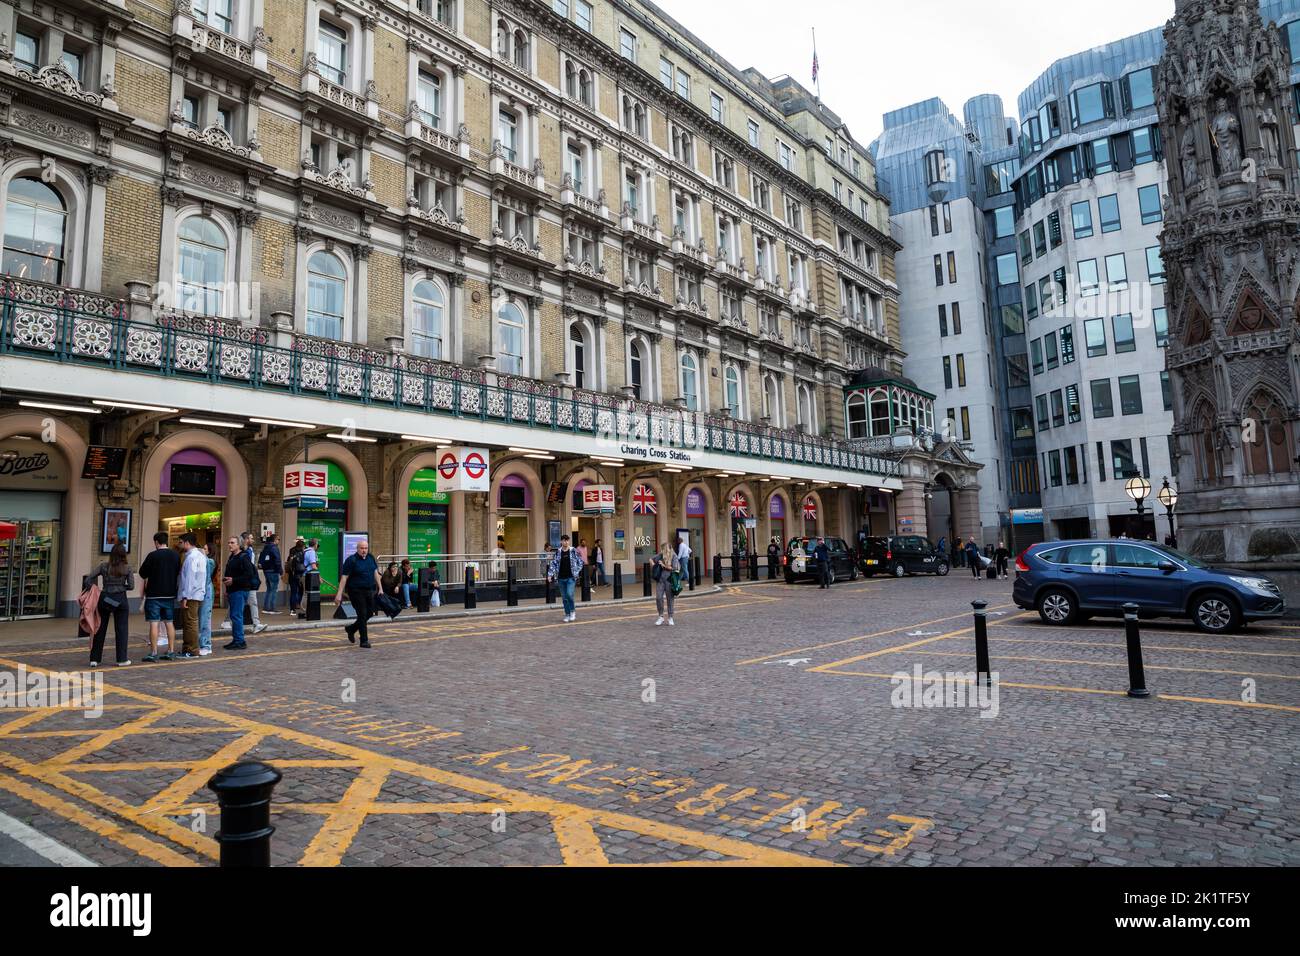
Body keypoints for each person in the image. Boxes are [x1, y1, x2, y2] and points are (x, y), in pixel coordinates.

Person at [89, 544, 133, 667]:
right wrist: (121, 587)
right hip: (120, 600)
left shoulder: (103, 566)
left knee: (100, 628)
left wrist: (94, 589)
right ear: (124, 555)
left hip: (105, 598)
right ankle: (121, 659)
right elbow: (131, 586)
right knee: (122, 630)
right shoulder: (127, 568)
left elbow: (89, 578)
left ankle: (94, 659)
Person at [138, 531, 180, 663]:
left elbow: (142, 573)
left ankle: (154, 652)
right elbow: (178, 572)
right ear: (166, 541)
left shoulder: (152, 556)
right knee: (169, 622)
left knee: (154, 623)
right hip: (170, 594)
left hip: (154, 595)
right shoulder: (175, 555)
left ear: (156, 542)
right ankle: (171, 650)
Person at [336, 538, 382, 648]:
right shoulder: (351, 560)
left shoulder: (370, 558)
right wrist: (339, 594)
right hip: (356, 591)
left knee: (370, 613)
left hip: (369, 590)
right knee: (362, 614)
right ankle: (364, 641)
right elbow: (344, 577)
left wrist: (380, 588)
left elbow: (375, 573)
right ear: (357, 549)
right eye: (362, 548)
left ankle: (351, 629)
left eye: (366, 548)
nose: (364, 550)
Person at [222, 536, 257, 650]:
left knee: (237, 616)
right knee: (234, 616)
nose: (230, 544)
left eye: (232, 543)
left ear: (239, 545)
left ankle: (240, 641)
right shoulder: (232, 556)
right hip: (233, 590)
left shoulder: (244, 557)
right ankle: (236, 639)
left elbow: (249, 575)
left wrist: (234, 580)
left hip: (240, 590)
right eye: (229, 542)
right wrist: (227, 589)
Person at [177, 532, 207, 659]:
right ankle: (188, 648)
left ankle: (192, 649)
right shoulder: (200, 556)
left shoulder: (190, 558)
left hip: (191, 595)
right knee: (191, 622)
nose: (180, 544)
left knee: (190, 623)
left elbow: (189, 579)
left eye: (181, 542)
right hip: (197, 593)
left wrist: (185, 597)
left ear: (187, 543)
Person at [547, 534, 584, 623]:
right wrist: (550, 574)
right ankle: (567, 614)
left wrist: (576, 571)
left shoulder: (573, 551)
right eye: (564, 540)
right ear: (561, 541)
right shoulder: (558, 552)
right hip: (561, 578)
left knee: (569, 594)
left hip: (571, 578)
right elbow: (553, 564)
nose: (566, 542)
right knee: (564, 598)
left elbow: (580, 562)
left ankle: (572, 612)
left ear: (569, 541)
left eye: (567, 540)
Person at [238, 532, 267, 633]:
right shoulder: (242, 552)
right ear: (246, 540)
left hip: (250, 580)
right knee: (238, 602)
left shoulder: (250, 550)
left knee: (253, 602)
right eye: (251, 538)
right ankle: (227, 621)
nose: (253, 540)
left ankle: (256, 624)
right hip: (244, 581)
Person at [652, 541, 682, 626]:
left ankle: (670, 617)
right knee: (658, 597)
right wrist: (654, 566)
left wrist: (664, 565)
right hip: (660, 580)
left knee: (670, 599)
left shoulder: (674, 556)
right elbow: (651, 559)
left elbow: (675, 568)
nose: (662, 551)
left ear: (668, 549)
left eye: (663, 549)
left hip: (670, 580)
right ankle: (661, 616)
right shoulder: (660, 555)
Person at [199, 541, 217, 655]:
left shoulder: (210, 561)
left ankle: (206, 645)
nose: (203, 551)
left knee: (205, 619)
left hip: (207, 592)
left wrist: (201, 554)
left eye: (205, 549)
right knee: (201, 618)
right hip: (203, 590)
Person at [258, 532, 283, 613]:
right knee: (274, 589)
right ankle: (272, 608)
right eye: (278, 539)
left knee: (269, 589)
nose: (279, 541)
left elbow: (260, 558)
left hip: (266, 571)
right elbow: (277, 560)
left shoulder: (265, 547)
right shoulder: (274, 548)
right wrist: (280, 571)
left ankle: (266, 608)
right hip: (273, 571)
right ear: (275, 540)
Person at [287, 537, 306, 614]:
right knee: (301, 590)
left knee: (293, 592)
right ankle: (299, 604)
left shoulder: (292, 551)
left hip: (293, 574)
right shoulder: (304, 553)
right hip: (301, 575)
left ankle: (292, 609)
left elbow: (289, 563)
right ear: (303, 546)